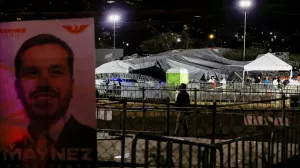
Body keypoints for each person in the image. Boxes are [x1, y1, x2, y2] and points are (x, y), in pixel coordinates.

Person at [11, 34, 97, 166]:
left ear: (71, 85)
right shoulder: (7, 148)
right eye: (32, 72)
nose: (44, 84)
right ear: (17, 87)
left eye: (56, 72)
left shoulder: (91, 142)